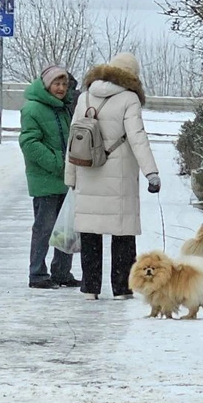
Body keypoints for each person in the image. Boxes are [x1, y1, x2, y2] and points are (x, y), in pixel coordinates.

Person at [64, 52, 160, 300]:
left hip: (88, 171)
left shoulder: (85, 96)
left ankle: (90, 288)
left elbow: (73, 140)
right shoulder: (129, 99)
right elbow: (137, 137)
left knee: (90, 234)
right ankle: (121, 288)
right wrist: (151, 173)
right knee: (122, 235)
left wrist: (71, 177)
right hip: (118, 176)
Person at [19, 64, 81, 290]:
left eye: (64, 84)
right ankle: (37, 273)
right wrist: (57, 163)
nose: (62, 88)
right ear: (46, 85)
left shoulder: (65, 108)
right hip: (46, 179)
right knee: (44, 228)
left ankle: (62, 272)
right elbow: (29, 143)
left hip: (66, 178)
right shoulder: (33, 109)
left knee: (67, 227)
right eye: (57, 83)